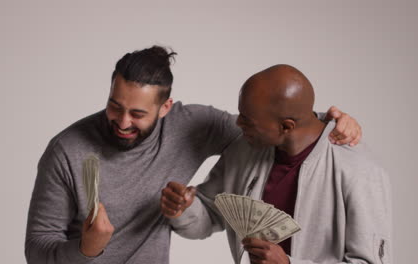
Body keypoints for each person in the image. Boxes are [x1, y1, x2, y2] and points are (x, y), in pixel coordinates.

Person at [25, 46, 361, 264]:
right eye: (115, 106)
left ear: (166, 107)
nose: (123, 122)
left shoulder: (192, 126)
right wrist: (87, 248)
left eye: (138, 114)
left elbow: (269, 126)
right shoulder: (66, 150)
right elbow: (37, 249)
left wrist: (328, 120)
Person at [161, 65, 391, 264]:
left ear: (287, 126)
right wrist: (184, 209)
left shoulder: (360, 171)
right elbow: (210, 216)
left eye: (247, 120)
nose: (237, 123)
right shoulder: (243, 149)